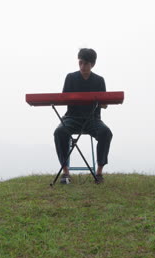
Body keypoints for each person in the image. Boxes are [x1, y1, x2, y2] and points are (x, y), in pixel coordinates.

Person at [54, 48, 113, 184]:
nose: (82, 66)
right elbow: (64, 99)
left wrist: (98, 101)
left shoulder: (99, 80)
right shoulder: (70, 77)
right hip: (72, 118)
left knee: (106, 133)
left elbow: (104, 105)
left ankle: (99, 173)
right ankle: (65, 173)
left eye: (85, 63)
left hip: (93, 119)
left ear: (92, 64)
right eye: (80, 62)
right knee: (59, 132)